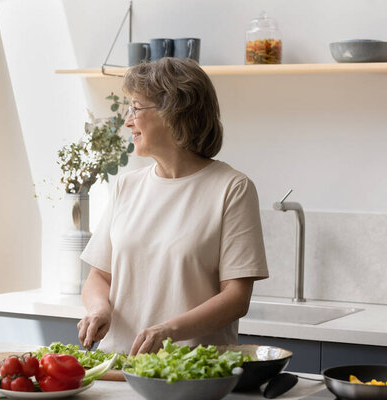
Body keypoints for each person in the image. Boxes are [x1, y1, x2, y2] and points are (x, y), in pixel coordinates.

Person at [77, 57, 269, 356]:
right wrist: (99, 308)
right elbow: (99, 276)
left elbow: (236, 297)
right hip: (117, 366)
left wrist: (169, 332)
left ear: (173, 112)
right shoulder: (126, 186)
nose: (127, 121)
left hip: (190, 370)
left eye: (136, 108)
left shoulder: (231, 188)